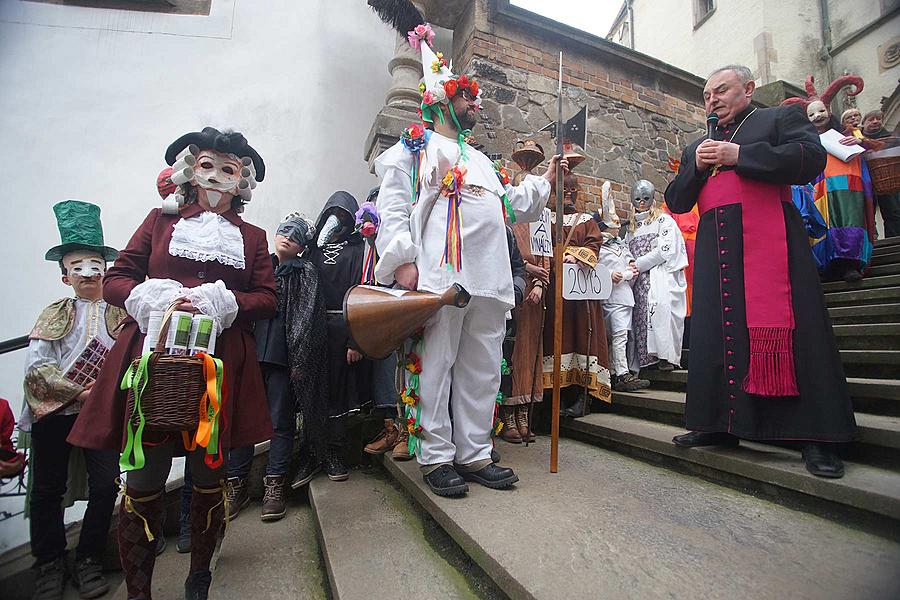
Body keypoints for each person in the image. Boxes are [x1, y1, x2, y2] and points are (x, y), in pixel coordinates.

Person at [68, 127, 276, 600]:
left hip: (218, 368)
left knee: (208, 475)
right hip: (152, 360)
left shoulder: (254, 237)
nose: (218, 178)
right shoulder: (159, 222)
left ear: (242, 181)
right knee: (143, 476)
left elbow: (267, 298)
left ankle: (198, 577)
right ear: (191, 169)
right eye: (209, 165)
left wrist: (217, 303)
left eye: (230, 169)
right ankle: (138, 590)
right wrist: (155, 295)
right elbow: (118, 278)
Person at [371, 11, 562, 496]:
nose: (476, 103)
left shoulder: (482, 161)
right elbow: (393, 207)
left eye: (475, 98)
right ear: (439, 100)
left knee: (480, 366)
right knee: (436, 363)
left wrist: (548, 178)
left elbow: (514, 205)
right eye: (466, 96)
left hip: (490, 278)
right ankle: (436, 457)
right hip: (440, 276)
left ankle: (474, 453)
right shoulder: (413, 150)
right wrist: (404, 260)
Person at [665, 65, 856, 478]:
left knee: (797, 329)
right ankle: (718, 424)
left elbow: (810, 160)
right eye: (706, 94)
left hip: (773, 241)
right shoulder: (698, 144)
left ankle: (817, 437)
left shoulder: (778, 118)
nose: (711, 99)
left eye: (721, 90)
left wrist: (741, 156)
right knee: (716, 333)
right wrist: (695, 169)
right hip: (717, 250)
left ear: (748, 90)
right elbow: (677, 201)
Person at [21, 200, 124, 600]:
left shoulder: (121, 315)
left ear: (106, 270)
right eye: (78, 267)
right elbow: (37, 369)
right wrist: (78, 392)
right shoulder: (52, 314)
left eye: (94, 265)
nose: (88, 274)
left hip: (101, 415)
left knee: (105, 485)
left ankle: (89, 558)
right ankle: (49, 562)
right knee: (47, 488)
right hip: (56, 414)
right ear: (65, 276)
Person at [225, 213, 326, 522]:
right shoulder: (257, 266)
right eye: (284, 231)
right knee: (242, 420)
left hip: (284, 357)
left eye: (295, 236)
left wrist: (300, 359)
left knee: (280, 422)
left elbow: (307, 318)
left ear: (303, 246)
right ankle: (236, 483)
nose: (287, 238)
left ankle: (275, 484)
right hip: (251, 355)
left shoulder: (306, 273)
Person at [308, 190, 371, 481]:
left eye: (345, 215)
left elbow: (363, 295)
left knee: (340, 395)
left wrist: (355, 339)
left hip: (344, 328)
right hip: (313, 330)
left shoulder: (360, 250)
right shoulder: (312, 250)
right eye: (334, 213)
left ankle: (335, 453)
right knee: (314, 393)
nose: (338, 220)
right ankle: (312, 454)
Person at [787, 75, 875, 282]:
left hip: (845, 186)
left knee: (847, 219)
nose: (817, 116)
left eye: (821, 111)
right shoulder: (803, 140)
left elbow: (870, 148)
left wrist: (859, 142)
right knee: (819, 222)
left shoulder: (845, 135)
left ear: (829, 112)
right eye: (812, 113)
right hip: (817, 188)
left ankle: (849, 264)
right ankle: (824, 266)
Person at [540, 173, 612, 419]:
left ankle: (583, 397)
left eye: (573, 191)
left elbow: (595, 244)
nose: (568, 195)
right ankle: (554, 398)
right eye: (563, 191)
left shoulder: (586, 220)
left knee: (582, 336)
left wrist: (577, 255)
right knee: (555, 337)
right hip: (553, 290)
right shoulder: (545, 218)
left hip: (579, 292)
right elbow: (539, 246)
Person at [625, 180, 688, 373]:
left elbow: (665, 250)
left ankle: (664, 357)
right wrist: (630, 265)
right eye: (637, 199)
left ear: (652, 198)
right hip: (636, 280)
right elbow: (626, 250)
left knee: (660, 308)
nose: (642, 203)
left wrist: (639, 264)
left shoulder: (664, 221)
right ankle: (644, 361)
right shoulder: (630, 228)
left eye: (645, 198)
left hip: (660, 276)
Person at [596, 184, 649, 392]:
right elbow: (595, 269)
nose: (618, 228)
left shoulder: (622, 246)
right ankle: (621, 374)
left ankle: (614, 372)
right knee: (617, 336)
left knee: (622, 336)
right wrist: (610, 275)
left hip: (625, 296)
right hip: (609, 296)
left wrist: (631, 270)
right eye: (614, 225)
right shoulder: (598, 247)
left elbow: (631, 265)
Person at [503, 216, 550, 443]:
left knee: (531, 353)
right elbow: (506, 254)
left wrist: (540, 285)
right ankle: (508, 415)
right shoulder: (509, 222)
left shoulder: (540, 227)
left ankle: (524, 414)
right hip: (515, 289)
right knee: (514, 352)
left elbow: (546, 259)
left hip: (535, 298)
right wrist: (529, 268)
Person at [861, 110, 900, 239]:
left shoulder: (890, 138)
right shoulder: (856, 138)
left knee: (892, 210)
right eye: (871, 119)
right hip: (865, 181)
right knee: (867, 212)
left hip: (886, 179)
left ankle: (893, 239)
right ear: (863, 123)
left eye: (878, 119)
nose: (875, 121)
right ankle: (872, 239)